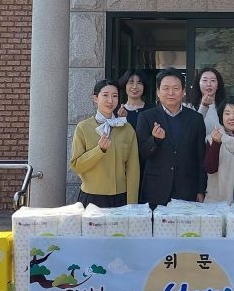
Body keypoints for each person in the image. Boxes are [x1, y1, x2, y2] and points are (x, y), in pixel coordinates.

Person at [136, 67, 207, 207]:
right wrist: (155, 140)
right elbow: (141, 153)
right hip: (156, 189)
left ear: (183, 91)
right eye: (166, 88)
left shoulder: (196, 119)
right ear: (158, 92)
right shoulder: (146, 117)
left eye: (176, 88)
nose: (171, 93)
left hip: (187, 188)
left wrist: (201, 189)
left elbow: (201, 157)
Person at [70, 79, 139, 207]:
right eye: (105, 95)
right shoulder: (83, 128)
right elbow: (76, 166)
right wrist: (99, 150)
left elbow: (133, 169)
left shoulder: (126, 129)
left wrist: (132, 203)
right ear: (95, 98)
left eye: (115, 96)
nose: (110, 100)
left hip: (120, 197)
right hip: (91, 196)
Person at [186, 67, 227, 136]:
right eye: (205, 80)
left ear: (218, 85)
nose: (209, 84)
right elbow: (191, 131)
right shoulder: (189, 107)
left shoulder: (225, 107)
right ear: (198, 84)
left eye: (213, 80)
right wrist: (203, 106)